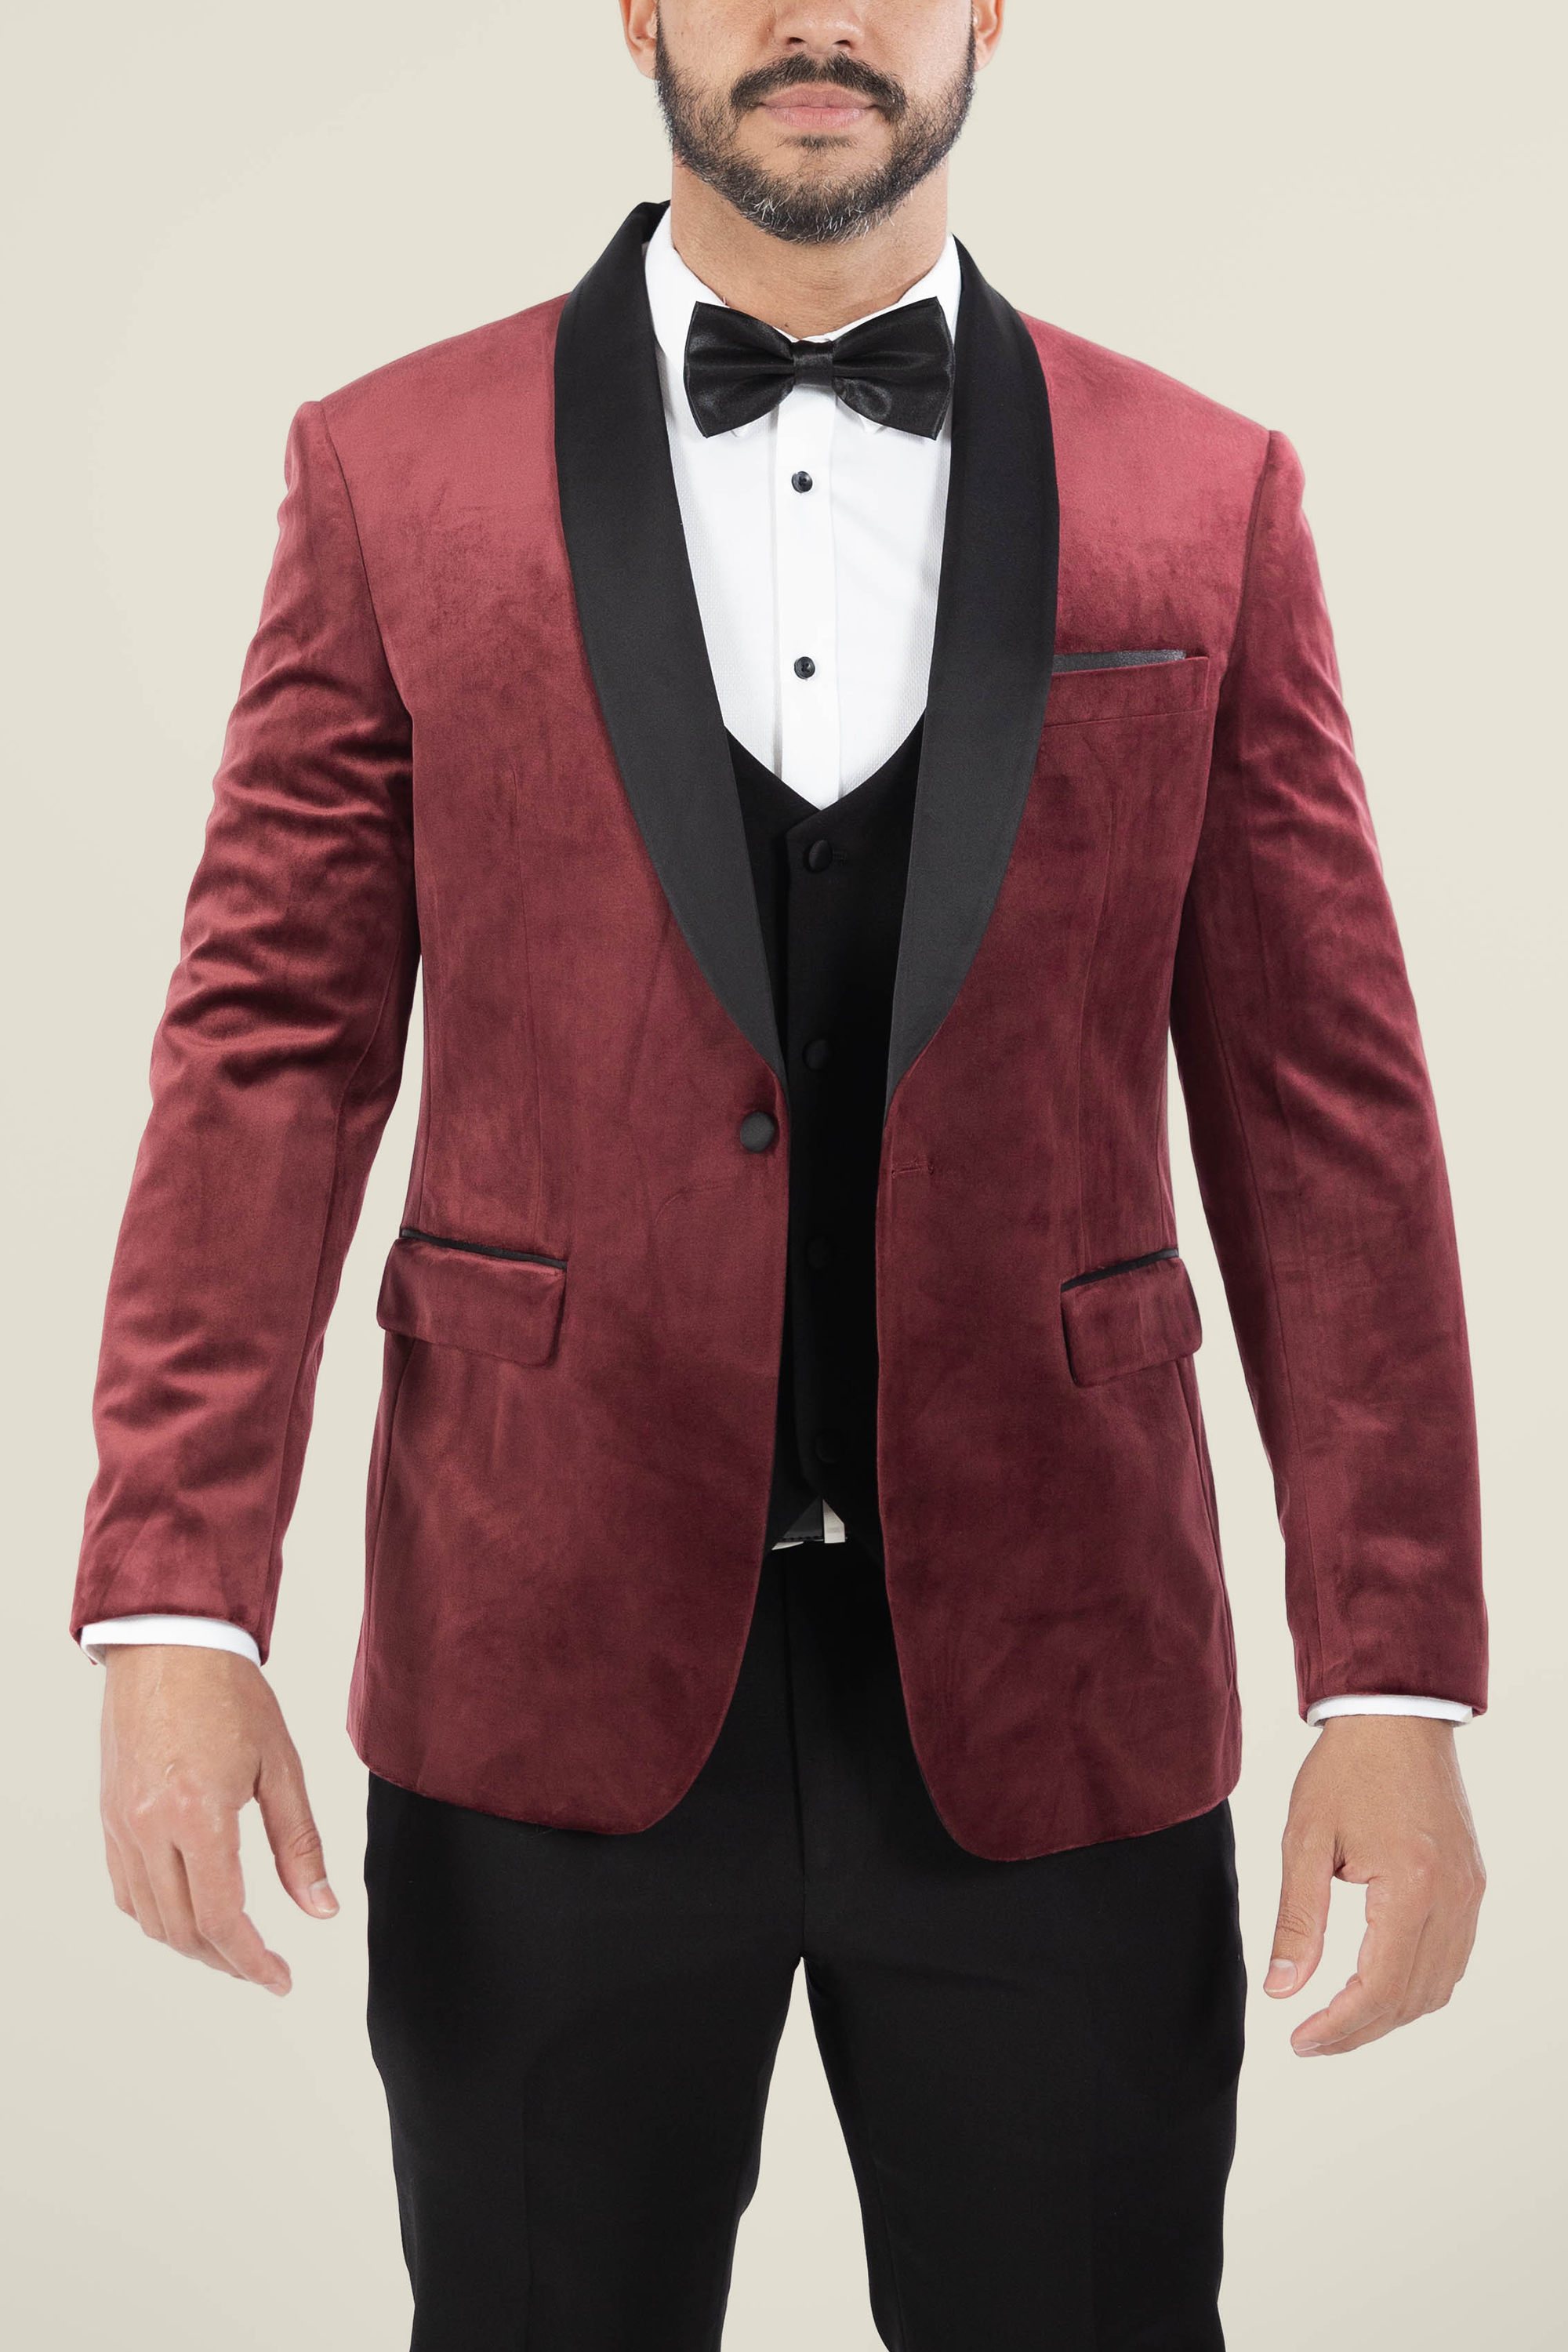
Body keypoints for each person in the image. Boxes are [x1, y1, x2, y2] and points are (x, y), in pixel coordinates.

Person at [73, 5, 1488, 2347]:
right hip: (541, 1657)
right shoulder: (389, 469)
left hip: (1061, 1670)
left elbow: (1325, 1106)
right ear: (637, 6)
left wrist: (1398, 1673)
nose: (818, 15)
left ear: (990, 8)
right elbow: (267, 1053)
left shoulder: (1203, 487)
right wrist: (175, 1612)